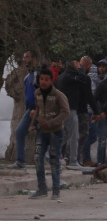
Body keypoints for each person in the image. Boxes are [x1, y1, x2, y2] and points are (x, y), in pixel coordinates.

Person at [29, 68, 70, 199]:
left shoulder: (58, 95)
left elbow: (65, 112)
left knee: (54, 160)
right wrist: (33, 123)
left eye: (46, 79)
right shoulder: (37, 93)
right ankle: (42, 188)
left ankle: (56, 190)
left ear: (52, 81)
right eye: (41, 79)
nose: (43, 82)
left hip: (55, 133)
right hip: (41, 132)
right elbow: (38, 110)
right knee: (37, 159)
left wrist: (52, 122)